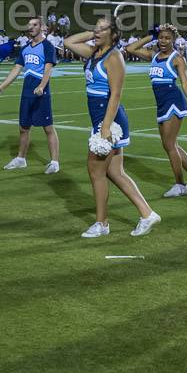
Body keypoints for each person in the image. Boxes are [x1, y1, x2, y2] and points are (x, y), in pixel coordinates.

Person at [65, 17, 160, 238]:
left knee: (95, 171)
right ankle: (147, 214)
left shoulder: (114, 57)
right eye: (95, 27)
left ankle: (102, 223)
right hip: (102, 118)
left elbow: (116, 94)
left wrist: (105, 128)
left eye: (102, 29)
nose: (96, 31)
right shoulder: (94, 53)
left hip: (109, 120)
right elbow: (69, 42)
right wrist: (94, 34)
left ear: (114, 34)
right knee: (115, 172)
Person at [124, 24, 187, 197]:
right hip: (161, 103)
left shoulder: (177, 58)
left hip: (173, 102)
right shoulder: (154, 56)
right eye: (161, 37)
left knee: (169, 145)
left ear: (174, 40)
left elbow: (185, 83)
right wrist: (150, 36)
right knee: (170, 145)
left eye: (167, 38)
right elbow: (130, 48)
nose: (163, 41)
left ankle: (180, 185)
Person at [0, 17, 60, 174]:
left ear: (42, 27)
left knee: (48, 128)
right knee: (23, 128)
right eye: (29, 25)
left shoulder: (47, 46)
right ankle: (21, 159)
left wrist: (42, 86)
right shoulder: (26, 48)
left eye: (34, 25)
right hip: (27, 93)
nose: (31, 27)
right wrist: (2, 87)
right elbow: (16, 69)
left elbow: (48, 69)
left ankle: (55, 162)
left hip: (41, 93)